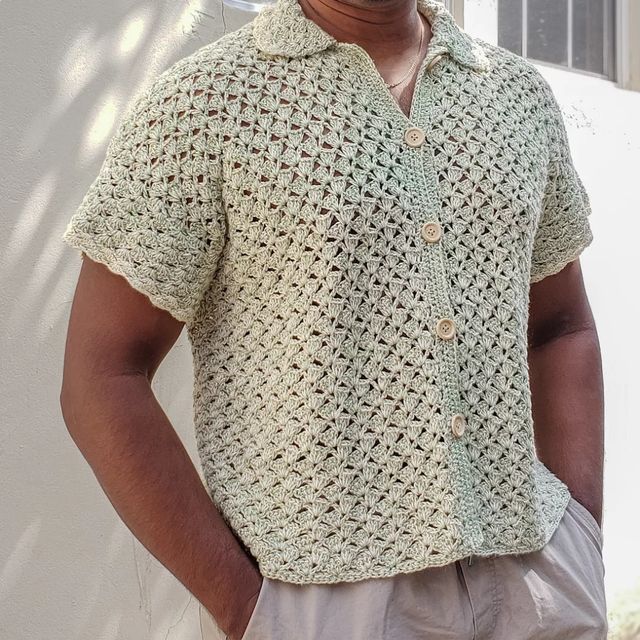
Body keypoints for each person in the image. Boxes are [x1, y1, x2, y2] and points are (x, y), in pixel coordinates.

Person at [59, 0, 607, 638]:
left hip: (538, 586)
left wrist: (582, 538)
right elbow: (102, 373)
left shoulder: (517, 97)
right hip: (322, 601)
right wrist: (248, 609)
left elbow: (561, 327)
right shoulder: (206, 104)